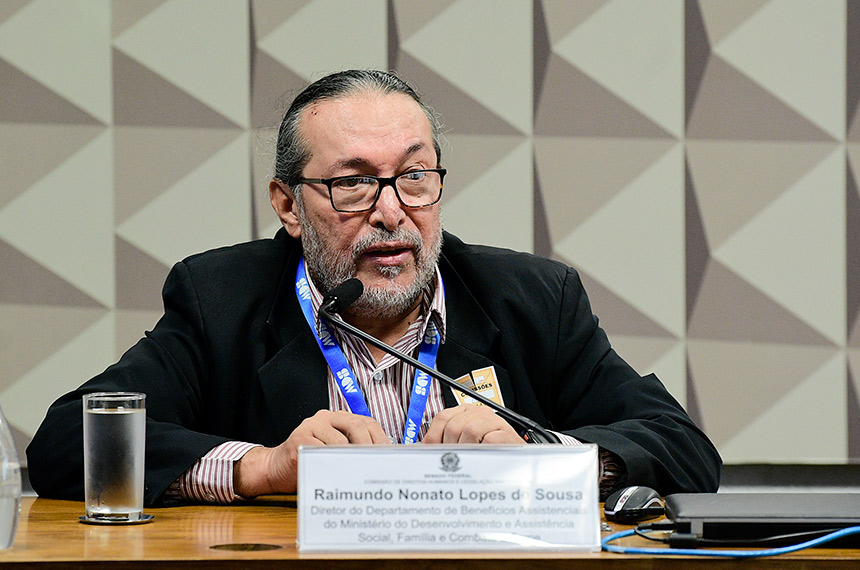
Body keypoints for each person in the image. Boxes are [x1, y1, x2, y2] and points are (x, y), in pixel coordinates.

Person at [27, 70, 721, 506]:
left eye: (414, 177)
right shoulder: (222, 299)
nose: (392, 212)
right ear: (288, 206)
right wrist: (264, 469)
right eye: (354, 183)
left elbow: (681, 446)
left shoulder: (533, 299)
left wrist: (537, 463)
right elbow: (69, 440)